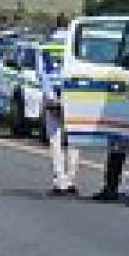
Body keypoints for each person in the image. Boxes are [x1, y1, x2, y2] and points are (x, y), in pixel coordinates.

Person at [40, 40, 77, 195]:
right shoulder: (75, 42)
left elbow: (42, 74)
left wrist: (51, 98)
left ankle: (59, 180)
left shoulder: (46, 46)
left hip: (52, 96)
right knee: (73, 139)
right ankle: (70, 180)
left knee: (55, 140)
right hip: (72, 96)